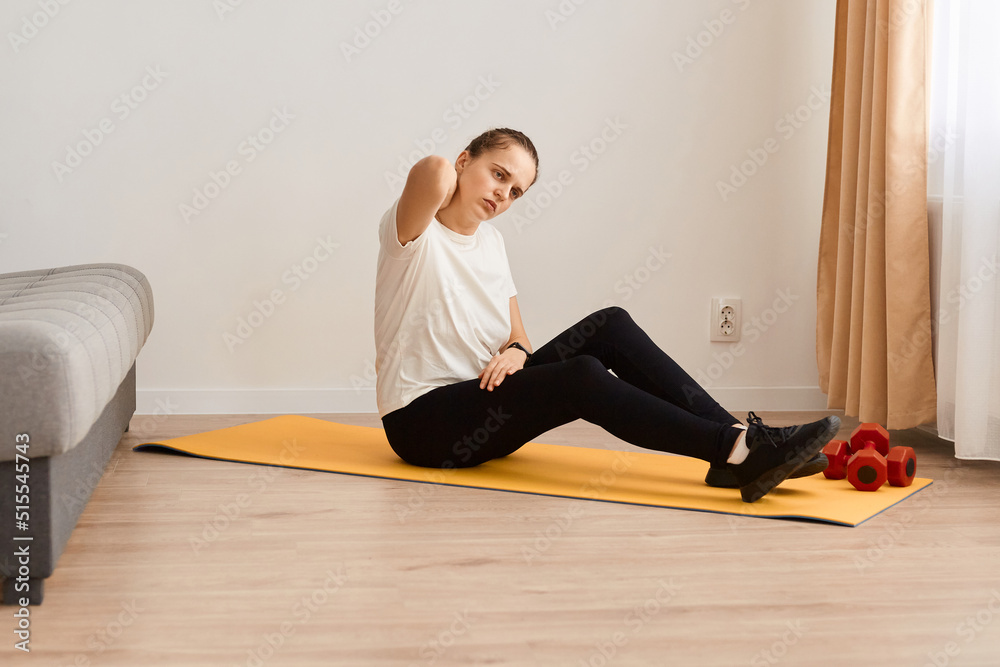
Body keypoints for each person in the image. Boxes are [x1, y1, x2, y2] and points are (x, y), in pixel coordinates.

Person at [373, 127, 839, 503]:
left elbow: (518, 338)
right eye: (497, 174)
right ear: (463, 161)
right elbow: (432, 171)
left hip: (482, 402)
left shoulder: (492, 245)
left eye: (516, 191)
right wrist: (455, 172)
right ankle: (736, 451)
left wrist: (516, 353)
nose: (503, 195)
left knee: (610, 323)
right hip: (424, 424)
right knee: (581, 375)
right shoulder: (413, 235)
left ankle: (739, 441)